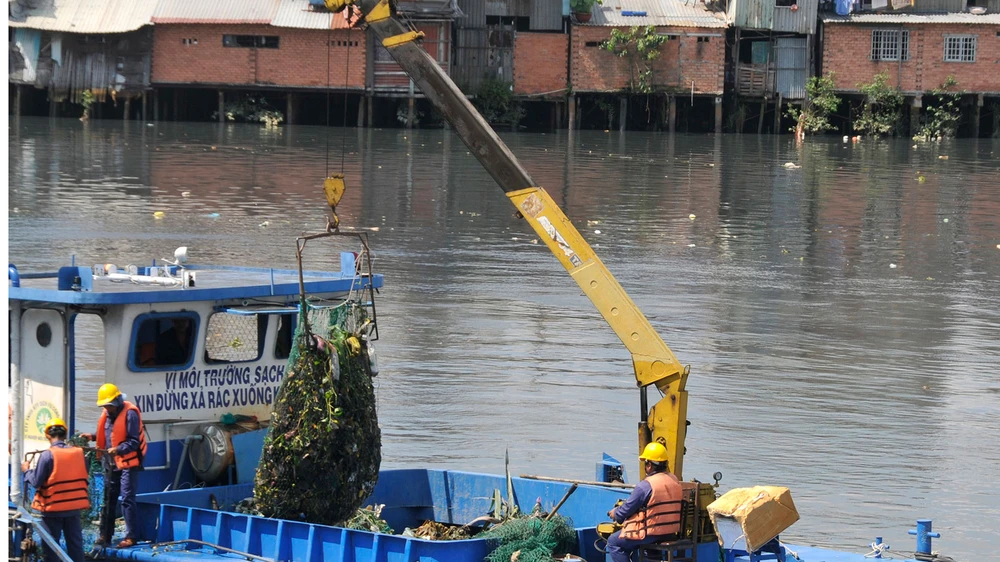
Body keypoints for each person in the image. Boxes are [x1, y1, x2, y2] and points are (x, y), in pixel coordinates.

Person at [79, 383, 147, 549]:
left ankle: (131, 537)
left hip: (128, 464)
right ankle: (105, 534)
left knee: (127, 499)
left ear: (117, 401)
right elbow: (109, 434)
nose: (107, 408)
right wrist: (92, 436)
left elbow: (133, 441)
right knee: (107, 499)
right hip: (111, 463)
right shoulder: (107, 414)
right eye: (105, 406)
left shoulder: (130, 413)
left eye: (109, 405)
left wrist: (119, 450)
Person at [22, 417, 89, 562]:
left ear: (47, 435)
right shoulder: (79, 453)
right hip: (73, 508)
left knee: (51, 548)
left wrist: (26, 470)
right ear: (65, 435)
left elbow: (36, 481)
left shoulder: (47, 455)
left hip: (53, 510)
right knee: (76, 546)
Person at [605, 442, 684, 562]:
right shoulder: (675, 480)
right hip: (671, 531)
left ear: (649, 465)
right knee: (646, 544)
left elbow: (627, 509)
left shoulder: (645, 486)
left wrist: (616, 513)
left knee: (614, 542)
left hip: (651, 533)